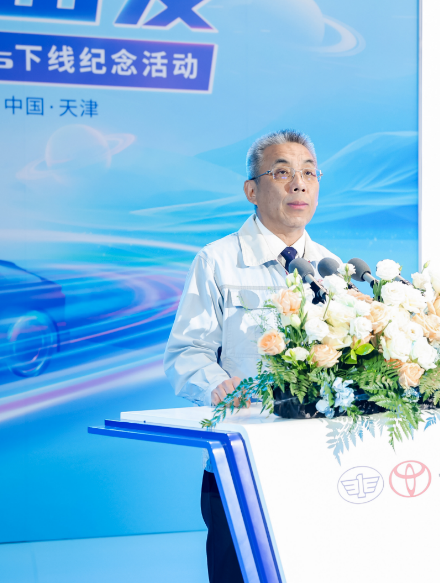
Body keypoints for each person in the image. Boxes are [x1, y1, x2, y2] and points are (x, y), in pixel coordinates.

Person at [164, 130, 340, 583]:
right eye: (282, 173)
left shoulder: (331, 268)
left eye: (309, 174)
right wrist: (215, 386)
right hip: (242, 459)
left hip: (318, 459)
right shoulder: (218, 260)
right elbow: (187, 352)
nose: (298, 184)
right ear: (251, 190)